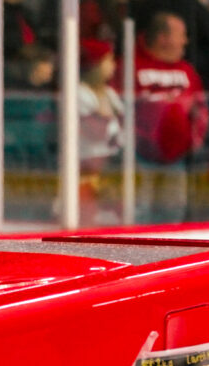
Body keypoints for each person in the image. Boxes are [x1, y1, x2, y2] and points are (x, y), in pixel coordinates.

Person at [125, 11, 209, 223]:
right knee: (138, 217)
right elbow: (120, 109)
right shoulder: (131, 67)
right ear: (163, 38)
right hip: (138, 160)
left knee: (172, 217)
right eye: (181, 34)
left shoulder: (187, 71)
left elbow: (201, 110)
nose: (186, 41)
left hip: (176, 161)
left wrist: (194, 141)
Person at [78, 39, 123, 226]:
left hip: (110, 164)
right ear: (95, 64)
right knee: (87, 216)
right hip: (86, 167)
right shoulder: (80, 92)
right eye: (109, 60)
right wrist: (103, 117)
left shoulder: (109, 93)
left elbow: (123, 121)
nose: (114, 65)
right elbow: (95, 131)